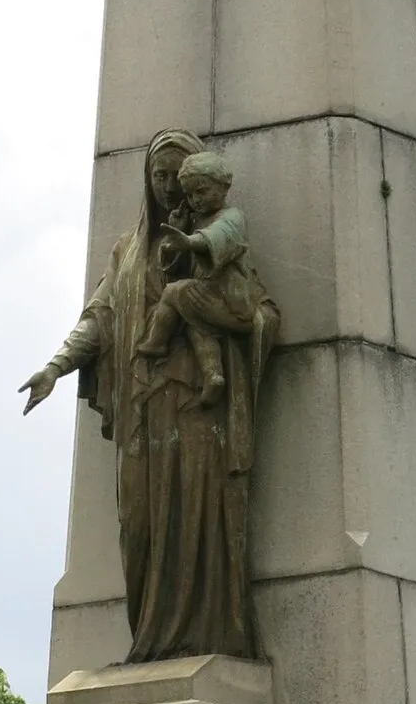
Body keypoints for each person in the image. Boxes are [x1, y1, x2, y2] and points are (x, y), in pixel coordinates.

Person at [19, 130, 276, 661]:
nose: (167, 188)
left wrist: (235, 324)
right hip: (143, 412)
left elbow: (255, 308)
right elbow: (99, 318)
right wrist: (55, 367)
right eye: (158, 176)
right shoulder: (129, 253)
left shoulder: (214, 242)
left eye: (175, 176)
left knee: (196, 522)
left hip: (197, 412)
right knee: (139, 527)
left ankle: (205, 638)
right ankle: (151, 641)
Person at [132, 149, 250, 407]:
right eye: (190, 194)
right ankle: (213, 375)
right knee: (196, 328)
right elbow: (175, 265)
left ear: (223, 187)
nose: (195, 200)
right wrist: (180, 232)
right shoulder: (197, 220)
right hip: (209, 295)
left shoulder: (231, 217)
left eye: (202, 192)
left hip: (229, 299)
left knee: (173, 293)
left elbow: (218, 237)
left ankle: (156, 342)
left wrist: (189, 240)